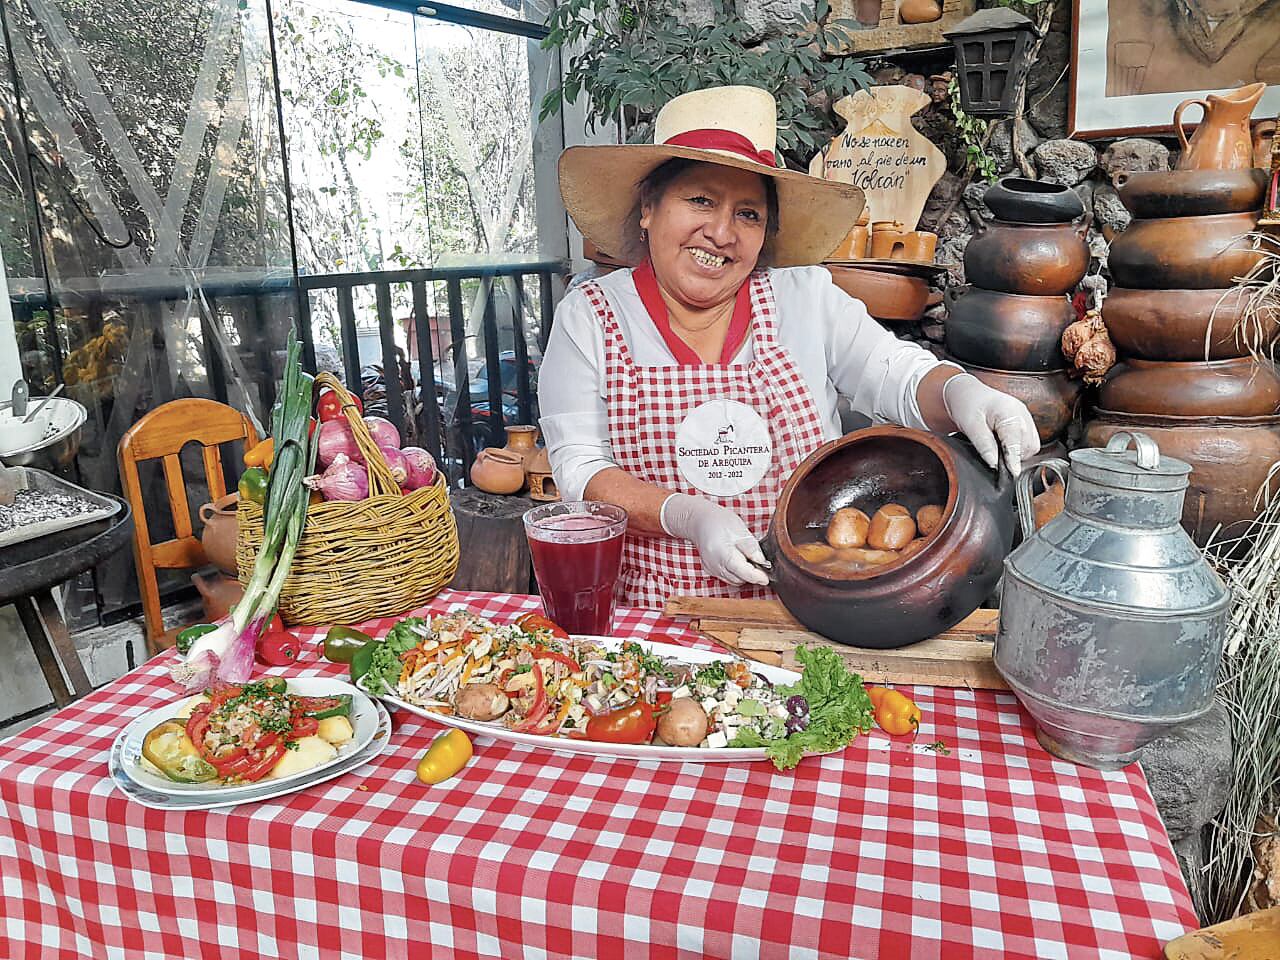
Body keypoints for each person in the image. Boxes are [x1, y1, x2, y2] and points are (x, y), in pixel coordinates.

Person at [539, 85, 1038, 609]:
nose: (720, 232)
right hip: (658, 617)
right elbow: (581, 469)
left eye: (748, 214)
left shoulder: (803, 297)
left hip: (804, 608)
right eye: (700, 200)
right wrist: (690, 516)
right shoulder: (591, 316)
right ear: (648, 208)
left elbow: (897, 374)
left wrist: (964, 392)